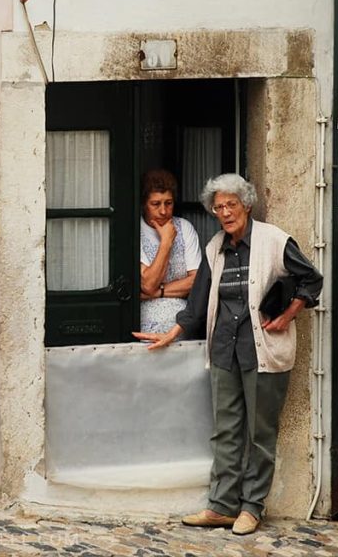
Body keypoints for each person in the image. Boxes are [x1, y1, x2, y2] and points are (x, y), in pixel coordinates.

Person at [135, 173, 322, 536]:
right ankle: (221, 506)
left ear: (246, 205)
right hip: (223, 350)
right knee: (225, 431)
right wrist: (171, 333)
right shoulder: (214, 247)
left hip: (262, 352)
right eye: (218, 207)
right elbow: (198, 300)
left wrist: (287, 315)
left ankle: (252, 507)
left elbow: (311, 279)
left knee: (259, 434)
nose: (224, 213)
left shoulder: (273, 240)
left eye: (230, 205)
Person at [134, 169, 201, 339]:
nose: (163, 211)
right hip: (147, 328)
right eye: (155, 204)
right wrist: (166, 242)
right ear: (143, 204)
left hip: (183, 325)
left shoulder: (184, 228)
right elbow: (148, 284)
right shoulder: (134, 232)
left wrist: (159, 292)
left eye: (168, 203)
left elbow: (196, 281)